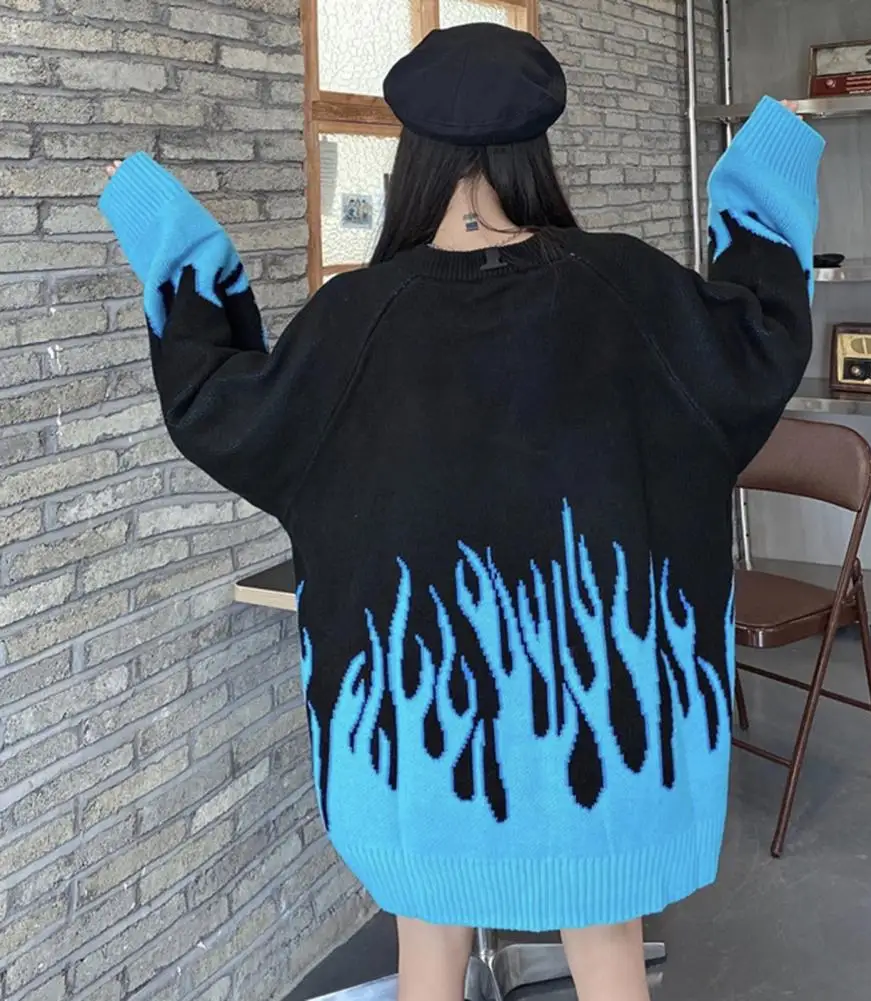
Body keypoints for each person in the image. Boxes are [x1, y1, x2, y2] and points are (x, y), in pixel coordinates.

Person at [99, 22, 823, 1001]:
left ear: (412, 154)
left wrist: (168, 235)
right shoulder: (634, 290)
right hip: (608, 749)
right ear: (537, 146)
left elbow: (223, 405)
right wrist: (765, 161)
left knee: (427, 947)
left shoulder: (352, 320)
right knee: (607, 940)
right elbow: (759, 336)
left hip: (415, 748)